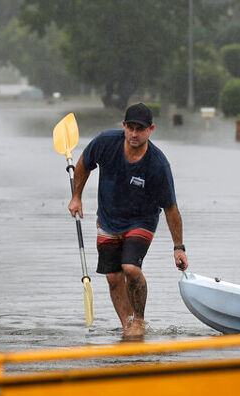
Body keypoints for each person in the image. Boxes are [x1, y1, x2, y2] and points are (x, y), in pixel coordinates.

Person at [68, 103, 188, 338]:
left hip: (141, 221)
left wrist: (179, 247)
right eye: (130, 128)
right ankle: (128, 327)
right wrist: (76, 197)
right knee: (113, 277)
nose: (134, 134)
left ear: (151, 129)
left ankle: (139, 321)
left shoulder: (158, 164)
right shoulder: (105, 142)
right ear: (123, 126)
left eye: (140, 129)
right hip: (108, 219)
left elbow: (171, 208)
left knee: (131, 268)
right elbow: (83, 164)